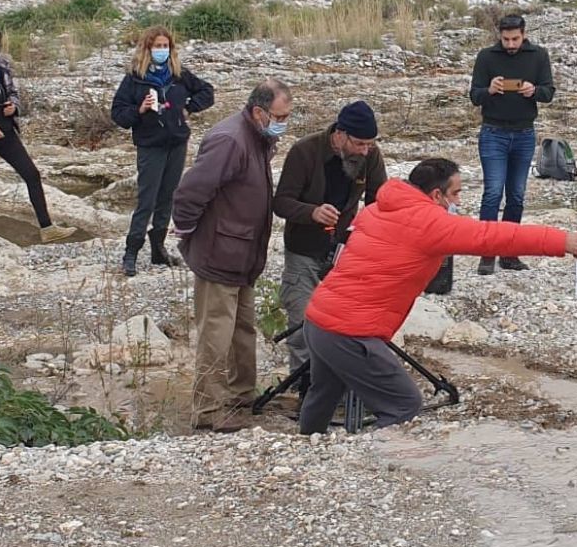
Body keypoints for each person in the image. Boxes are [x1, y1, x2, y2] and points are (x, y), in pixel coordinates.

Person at [298, 158, 577, 435]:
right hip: (351, 332)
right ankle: (373, 463)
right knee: (404, 404)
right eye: (456, 194)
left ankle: (308, 449)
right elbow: (493, 236)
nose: (459, 202)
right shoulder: (430, 223)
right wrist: (562, 241)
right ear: (437, 195)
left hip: (319, 319)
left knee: (322, 395)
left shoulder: (377, 209)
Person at [172, 78, 294, 432]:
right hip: (220, 253)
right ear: (258, 111)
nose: (283, 123)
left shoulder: (257, 137)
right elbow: (190, 192)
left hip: (243, 254)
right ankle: (208, 408)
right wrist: (189, 234)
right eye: (279, 116)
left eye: (286, 116)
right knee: (216, 332)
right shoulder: (230, 140)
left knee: (242, 328)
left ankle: (241, 395)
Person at [272, 100, 387, 383]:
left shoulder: (370, 155)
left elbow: (380, 202)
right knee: (302, 325)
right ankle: (305, 389)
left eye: (369, 144)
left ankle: (337, 387)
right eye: (359, 144)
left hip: (344, 254)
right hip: (303, 250)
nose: (365, 150)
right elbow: (281, 202)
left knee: (341, 327)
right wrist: (311, 212)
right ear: (340, 134)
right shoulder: (304, 151)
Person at [0, 26, 76, 252]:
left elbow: (13, 94)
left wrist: (14, 107)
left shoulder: (3, 65)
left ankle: (47, 228)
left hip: (7, 131)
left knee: (31, 174)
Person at [111, 26, 215, 276]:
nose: (162, 50)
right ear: (147, 49)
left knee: (168, 197)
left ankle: (158, 248)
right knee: (146, 200)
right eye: (157, 46)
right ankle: (131, 252)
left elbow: (207, 92)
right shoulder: (134, 79)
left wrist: (188, 108)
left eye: (165, 46)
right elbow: (118, 114)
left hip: (176, 143)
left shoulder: (179, 74)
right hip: (150, 145)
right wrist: (140, 110)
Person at [470, 14, 555, 275]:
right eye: (506, 39)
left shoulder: (538, 56)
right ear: (499, 35)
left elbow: (549, 92)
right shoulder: (486, 57)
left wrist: (534, 91)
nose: (510, 44)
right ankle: (487, 253)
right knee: (493, 192)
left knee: (516, 194)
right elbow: (474, 96)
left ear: (523, 34)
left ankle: (509, 252)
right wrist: (489, 90)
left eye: (515, 39)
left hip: (524, 133)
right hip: (493, 132)